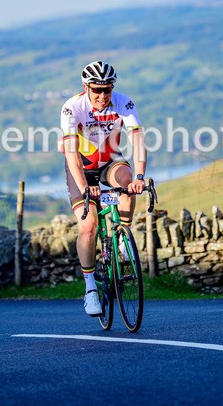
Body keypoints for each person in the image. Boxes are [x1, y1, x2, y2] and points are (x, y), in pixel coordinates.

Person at [60, 60, 147, 316]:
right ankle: (90, 290)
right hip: (81, 168)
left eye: (106, 89)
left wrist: (140, 176)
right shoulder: (72, 107)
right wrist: (86, 186)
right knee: (88, 225)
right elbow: (71, 154)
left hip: (111, 161)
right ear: (85, 87)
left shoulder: (123, 102)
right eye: (96, 89)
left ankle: (123, 237)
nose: (102, 95)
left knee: (128, 180)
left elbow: (138, 141)